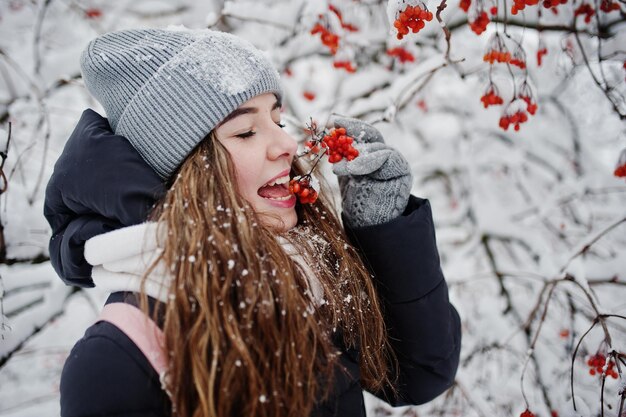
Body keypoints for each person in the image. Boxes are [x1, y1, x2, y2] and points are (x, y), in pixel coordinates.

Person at [44, 27, 461, 417]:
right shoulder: (121, 357)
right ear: (186, 171)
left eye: (276, 121)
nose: (286, 143)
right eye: (245, 132)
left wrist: (381, 229)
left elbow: (417, 375)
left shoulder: (303, 275)